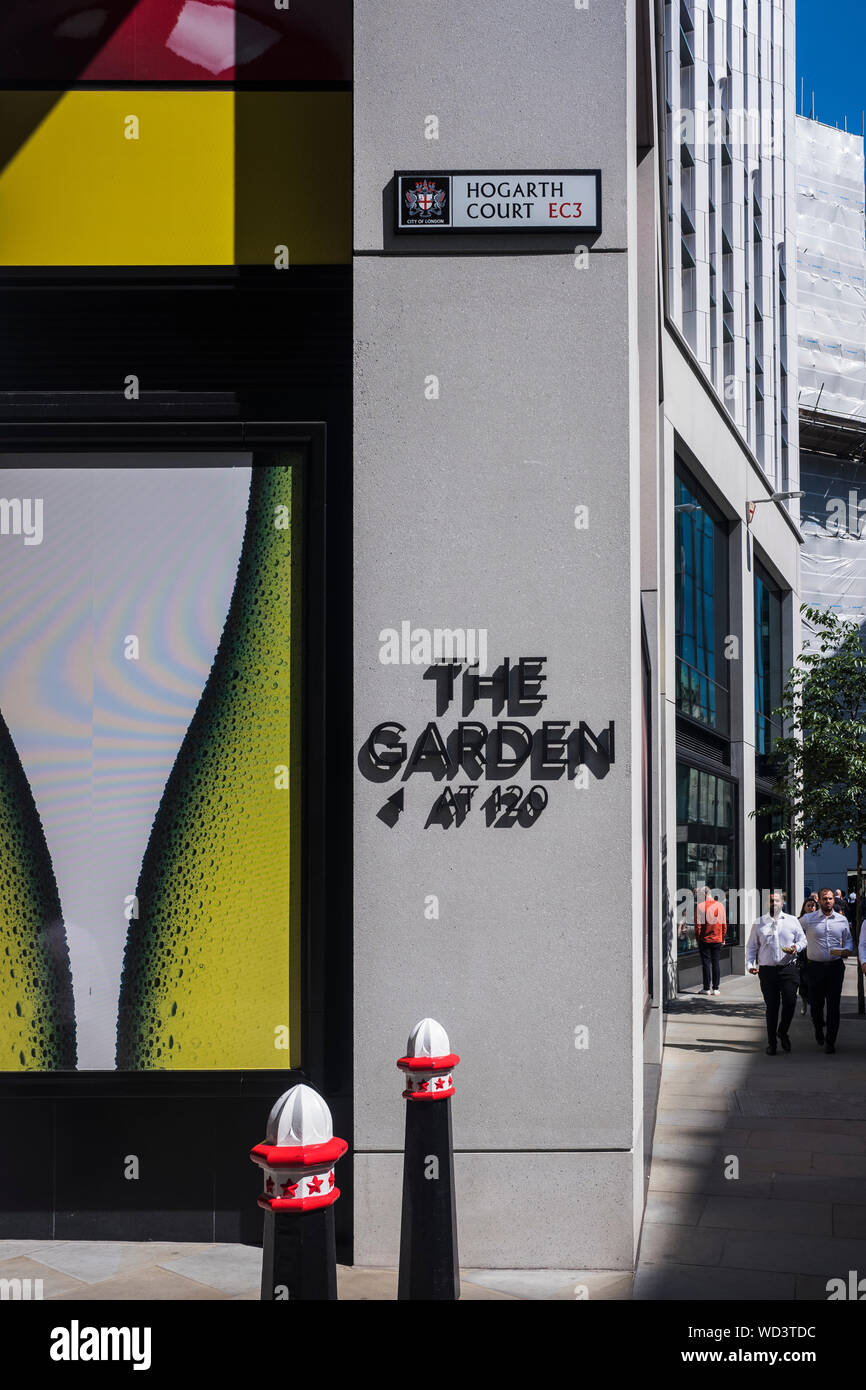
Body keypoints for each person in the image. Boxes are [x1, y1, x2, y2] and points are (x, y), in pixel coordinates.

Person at [746, 889, 806, 1054]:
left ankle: (783, 1031)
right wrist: (750, 964)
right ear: (767, 903)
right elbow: (751, 947)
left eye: (777, 900)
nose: (774, 903)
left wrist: (796, 947)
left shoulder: (793, 920)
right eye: (771, 901)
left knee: (790, 1003)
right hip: (767, 971)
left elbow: (803, 940)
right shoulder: (759, 923)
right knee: (772, 1007)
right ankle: (772, 1043)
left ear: (783, 902)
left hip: (789, 969)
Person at [801, 887, 853, 1054]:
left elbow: (849, 941)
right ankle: (818, 1028)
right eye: (824, 899)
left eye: (830, 899)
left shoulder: (841, 920)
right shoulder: (808, 919)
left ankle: (831, 1041)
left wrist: (847, 950)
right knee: (816, 1005)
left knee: (833, 1005)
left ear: (833, 900)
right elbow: (793, 929)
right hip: (814, 968)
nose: (828, 901)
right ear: (820, 901)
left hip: (835, 968)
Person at [696, 884, 727, 996]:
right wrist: (723, 938)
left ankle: (706, 988)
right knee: (716, 963)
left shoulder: (700, 906)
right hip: (718, 939)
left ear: (705, 894)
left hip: (705, 940)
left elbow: (698, 926)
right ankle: (716, 988)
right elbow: (724, 924)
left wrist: (698, 939)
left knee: (706, 964)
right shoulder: (720, 906)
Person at [797, 894, 818, 1014]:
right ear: (804, 907)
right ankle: (805, 1001)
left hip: (815, 955)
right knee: (804, 982)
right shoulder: (799, 921)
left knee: (814, 983)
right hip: (803, 956)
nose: (811, 908)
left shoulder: (819, 920)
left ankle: (813, 1003)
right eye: (809, 906)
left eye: (813, 906)